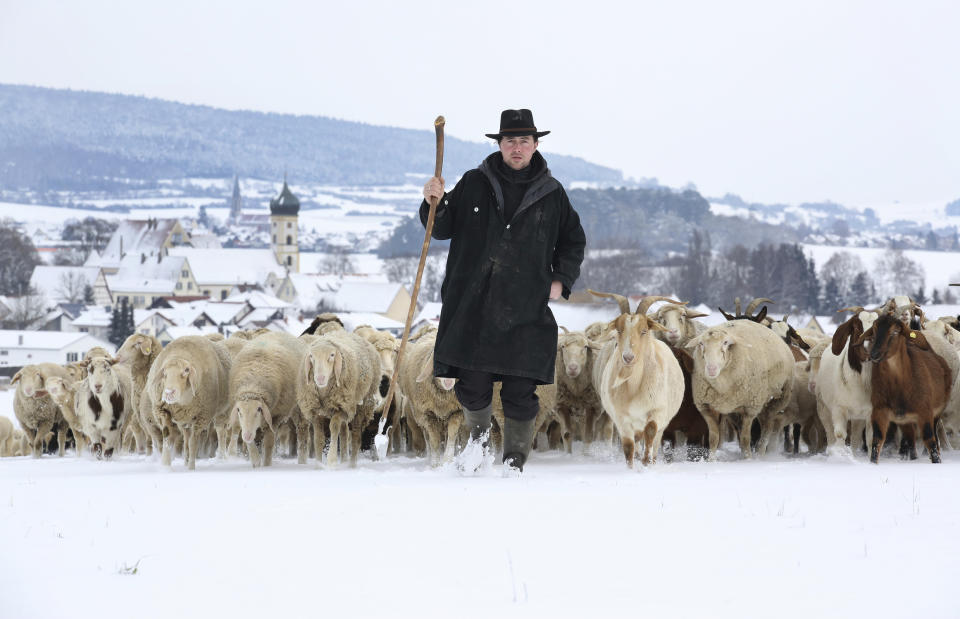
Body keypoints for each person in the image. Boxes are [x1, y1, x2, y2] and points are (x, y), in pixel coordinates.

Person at [420, 108, 586, 473]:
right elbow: (441, 227)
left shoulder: (552, 194)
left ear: (535, 145)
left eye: (523, 141)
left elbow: (573, 240)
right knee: (473, 382)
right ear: (499, 144)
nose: (516, 147)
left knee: (520, 389)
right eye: (509, 140)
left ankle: (514, 459)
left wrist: (561, 279)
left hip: (526, 306)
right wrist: (435, 200)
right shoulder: (475, 182)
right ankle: (478, 447)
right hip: (473, 303)